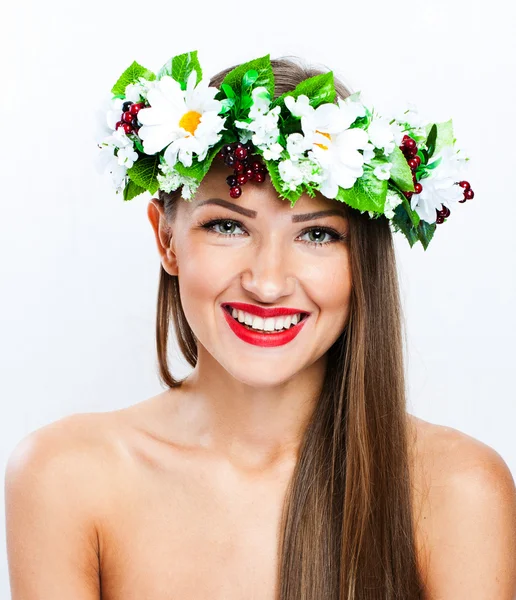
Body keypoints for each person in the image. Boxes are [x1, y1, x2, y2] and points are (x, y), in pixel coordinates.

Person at [5, 53, 516, 599]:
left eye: (317, 235)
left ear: (362, 260)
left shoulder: (458, 491)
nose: (268, 284)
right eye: (228, 225)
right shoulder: (65, 479)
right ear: (167, 239)